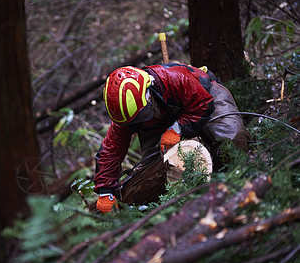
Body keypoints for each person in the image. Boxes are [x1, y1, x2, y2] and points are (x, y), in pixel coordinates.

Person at [94, 63, 250, 213]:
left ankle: (242, 181)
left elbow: (202, 104)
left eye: (141, 115)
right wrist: (105, 190)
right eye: (134, 120)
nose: (136, 121)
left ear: (148, 92)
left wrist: (177, 128)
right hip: (160, 118)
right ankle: (172, 208)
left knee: (232, 136)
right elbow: (110, 151)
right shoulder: (126, 114)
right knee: (151, 167)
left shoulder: (176, 78)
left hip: (203, 96)